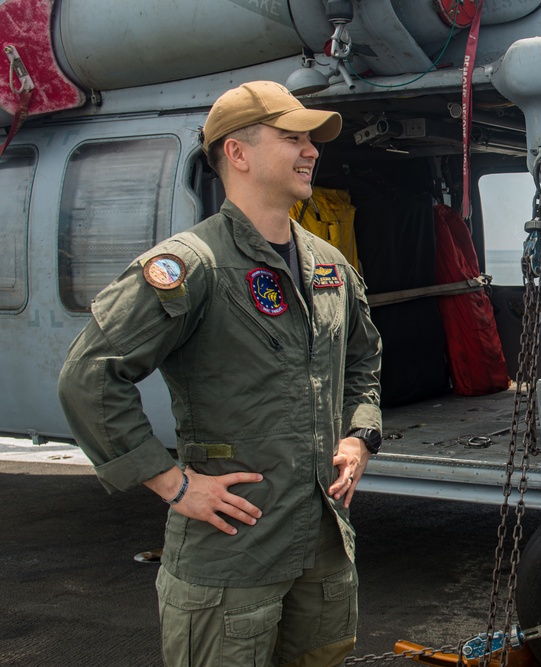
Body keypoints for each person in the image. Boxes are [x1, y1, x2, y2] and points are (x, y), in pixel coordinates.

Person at [58, 80, 383, 667]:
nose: (311, 150)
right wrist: (172, 483)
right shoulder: (192, 265)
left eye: (311, 140)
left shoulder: (330, 267)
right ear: (238, 153)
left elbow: (362, 358)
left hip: (322, 549)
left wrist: (357, 436)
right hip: (233, 561)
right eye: (293, 138)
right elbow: (90, 376)